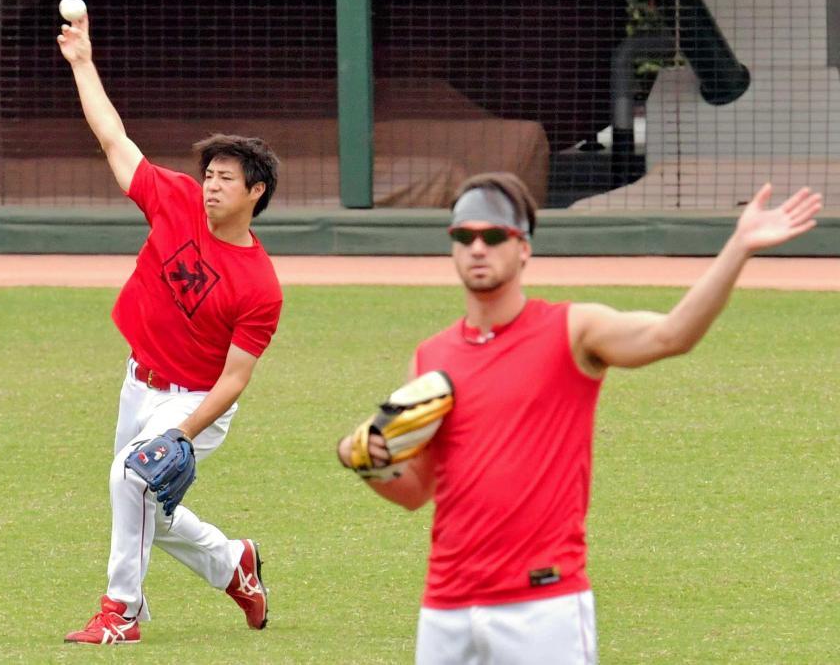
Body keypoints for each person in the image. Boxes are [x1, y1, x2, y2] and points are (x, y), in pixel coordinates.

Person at [337, 172, 822, 664]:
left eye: (494, 235)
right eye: (464, 236)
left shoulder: (571, 331)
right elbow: (417, 491)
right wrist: (370, 463)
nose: (477, 248)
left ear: (523, 247)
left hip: (543, 607)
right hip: (446, 608)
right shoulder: (431, 359)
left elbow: (672, 335)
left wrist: (739, 247)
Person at [57, 10, 282, 645]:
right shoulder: (174, 198)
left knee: (131, 476)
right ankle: (233, 563)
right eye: (209, 175)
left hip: (197, 400)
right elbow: (114, 139)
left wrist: (182, 434)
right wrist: (83, 63)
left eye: (226, 179)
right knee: (143, 502)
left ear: (256, 192)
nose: (211, 186)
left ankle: (120, 613)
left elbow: (235, 379)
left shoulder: (259, 286)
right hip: (139, 383)